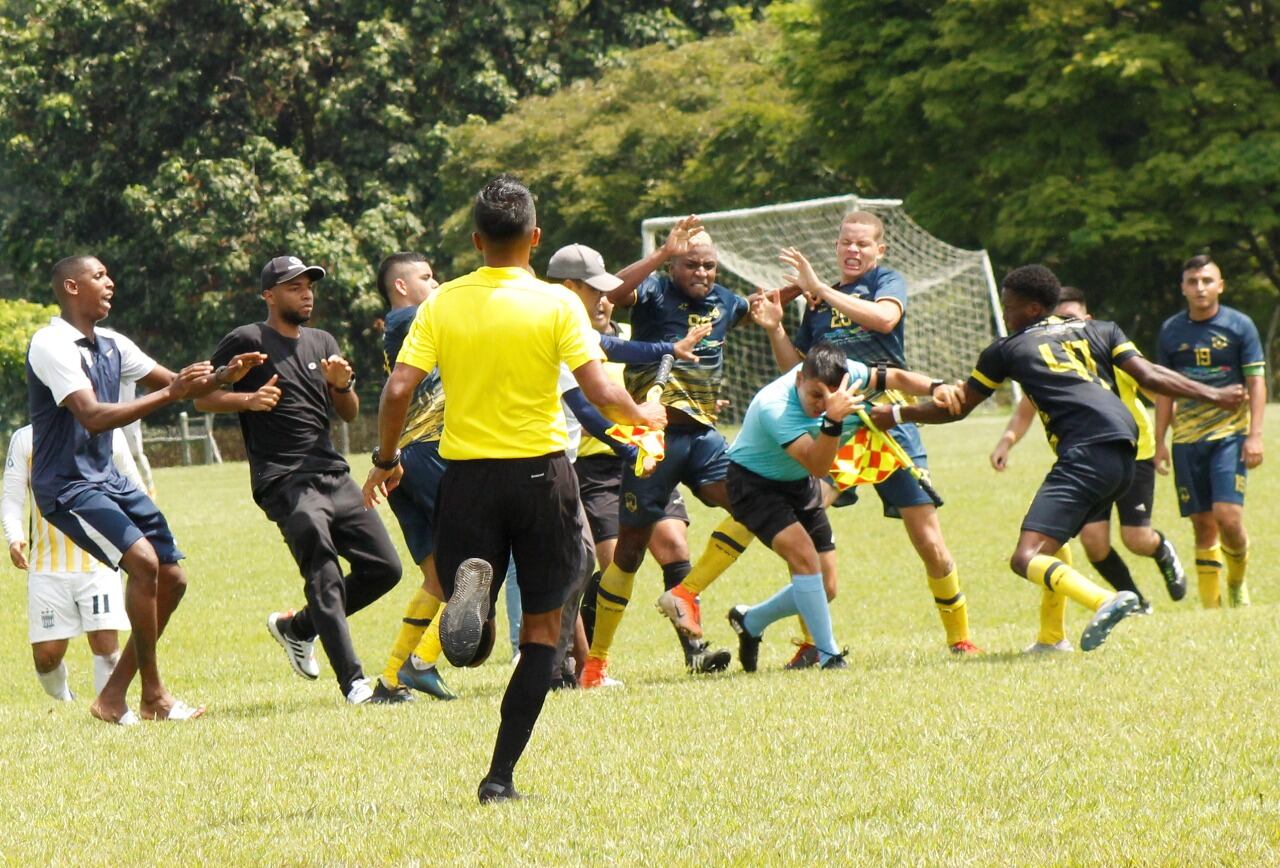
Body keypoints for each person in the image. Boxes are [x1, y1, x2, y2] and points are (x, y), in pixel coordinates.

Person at [364, 175, 664, 803]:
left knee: (470, 633)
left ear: (475, 241)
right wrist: (647, 415)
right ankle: (499, 777)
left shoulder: (440, 305)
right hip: (541, 476)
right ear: (535, 237)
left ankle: (471, 605)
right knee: (544, 633)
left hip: (467, 478)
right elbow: (604, 392)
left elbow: (397, 391)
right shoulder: (556, 304)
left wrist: (387, 458)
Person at [870, 265, 1244, 652]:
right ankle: (1051, 639)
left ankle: (1107, 600)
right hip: (1125, 451)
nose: (1005, 314)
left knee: (1025, 557)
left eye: (1009, 306)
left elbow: (959, 406)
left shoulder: (1006, 349)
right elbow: (1150, 376)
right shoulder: (1101, 329)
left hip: (1086, 452)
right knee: (1055, 540)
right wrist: (1215, 394)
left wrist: (898, 413)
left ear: (1032, 309)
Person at [669, 210, 979, 662]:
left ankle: (960, 637)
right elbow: (797, 371)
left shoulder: (884, 283)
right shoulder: (815, 304)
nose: (852, 251)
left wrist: (821, 289)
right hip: (832, 429)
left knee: (929, 540)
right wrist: (775, 327)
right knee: (793, 528)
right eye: (845, 243)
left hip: (886, 424)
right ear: (836, 247)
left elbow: (883, 321)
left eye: (862, 244)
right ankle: (792, 637)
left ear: (879, 250)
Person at [27, 254, 255, 724]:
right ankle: (154, 696)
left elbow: (180, 386)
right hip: (67, 487)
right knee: (144, 562)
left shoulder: (112, 344)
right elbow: (92, 416)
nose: (110, 282)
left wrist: (222, 377)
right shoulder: (51, 344)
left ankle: (114, 697)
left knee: (173, 578)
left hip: (106, 479)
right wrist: (172, 396)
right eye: (99, 276)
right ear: (71, 287)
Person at [196, 255, 403, 705]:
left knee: (386, 569)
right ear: (269, 295)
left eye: (309, 285)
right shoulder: (248, 339)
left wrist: (342, 385)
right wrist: (247, 399)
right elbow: (202, 398)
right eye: (293, 286)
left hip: (332, 473)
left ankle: (298, 627)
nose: (306, 293)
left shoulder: (322, 341)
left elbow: (346, 413)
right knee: (324, 574)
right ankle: (356, 686)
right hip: (284, 480)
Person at [544, 242, 723, 686]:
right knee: (586, 563)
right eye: (594, 291)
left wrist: (672, 347)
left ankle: (693, 649)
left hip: (638, 459)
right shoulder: (555, 329)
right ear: (569, 288)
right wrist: (631, 445)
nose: (603, 299)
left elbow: (614, 346)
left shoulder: (588, 331)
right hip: (581, 468)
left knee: (661, 550)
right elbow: (589, 408)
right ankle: (576, 664)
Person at [726, 342, 964, 671]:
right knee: (806, 560)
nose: (822, 405)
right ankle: (830, 656)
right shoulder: (774, 406)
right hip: (754, 485)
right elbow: (818, 467)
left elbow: (892, 376)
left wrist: (937, 387)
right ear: (799, 380)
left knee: (826, 587)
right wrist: (833, 420)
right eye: (814, 396)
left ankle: (751, 620)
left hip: (797, 484)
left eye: (830, 397)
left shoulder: (850, 374)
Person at [584, 225, 748, 688]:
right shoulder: (654, 293)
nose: (701, 272)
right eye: (691, 263)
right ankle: (595, 664)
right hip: (649, 445)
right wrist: (661, 254)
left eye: (708, 264)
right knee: (629, 554)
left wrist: (810, 291)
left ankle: (687, 610)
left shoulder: (727, 303)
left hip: (703, 440)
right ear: (674, 266)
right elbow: (613, 292)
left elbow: (762, 307)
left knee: (757, 504)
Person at [990, 286, 1187, 630]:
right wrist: (1006, 442)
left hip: (1135, 452)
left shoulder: (1110, 353)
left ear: (1088, 321)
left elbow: (1161, 391)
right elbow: (1024, 412)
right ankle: (1134, 600)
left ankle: (1162, 550)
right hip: (1086, 458)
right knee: (1095, 545)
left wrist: (1164, 439)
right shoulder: (1045, 364)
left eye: (1069, 319)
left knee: (1136, 539)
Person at [365, 252, 455, 704]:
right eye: (426, 276)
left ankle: (390, 680)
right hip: (430, 452)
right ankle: (422, 662)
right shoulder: (406, 320)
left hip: (403, 460)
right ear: (401, 287)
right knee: (482, 562)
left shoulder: (416, 323)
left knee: (439, 579)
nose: (437, 282)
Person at [1154, 255, 1266, 609]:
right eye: (1193, 281)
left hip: (1230, 435)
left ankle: (1236, 583)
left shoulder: (1240, 325)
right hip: (1187, 438)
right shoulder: (1171, 330)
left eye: (1206, 280)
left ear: (1220, 285)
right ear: (1183, 288)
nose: (1200, 287)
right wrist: (1159, 443)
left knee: (1228, 518)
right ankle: (1211, 607)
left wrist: (1255, 435)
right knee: (1202, 524)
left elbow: (1256, 382)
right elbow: (1163, 390)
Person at [3, 424, 141, 701]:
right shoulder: (26, 438)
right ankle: (64, 699)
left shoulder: (109, 433)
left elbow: (134, 487)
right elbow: (11, 498)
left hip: (100, 560)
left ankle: (109, 707)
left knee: (105, 644)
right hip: (46, 566)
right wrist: (14, 536)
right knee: (47, 656)